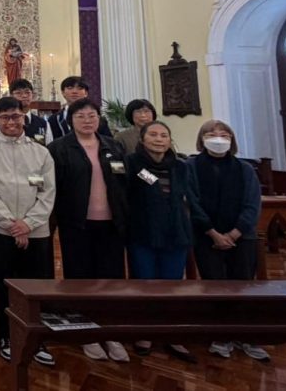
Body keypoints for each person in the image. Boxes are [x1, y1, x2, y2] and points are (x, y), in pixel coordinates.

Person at [0, 96, 56, 366]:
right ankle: (7, 335)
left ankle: (37, 338)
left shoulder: (41, 152)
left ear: (24, 117)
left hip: (36, 230)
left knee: (36, 285)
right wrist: (11, 224)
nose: (11, 122)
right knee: (3, 284)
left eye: (16, 116)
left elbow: (48, 192)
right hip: (0, 230)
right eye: (5, 117)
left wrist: (28, 223)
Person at [46, 98, 129, 362]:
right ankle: (85, 333)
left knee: (111, 278)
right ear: (71, 120)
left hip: (111, 223)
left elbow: (125, 182)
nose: (87, 120)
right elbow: (52, 187)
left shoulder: (113, 146)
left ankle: (111, 331)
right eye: (80, 116)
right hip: (76, 223)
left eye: (91, 115)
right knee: (79, 277)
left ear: (98, 118)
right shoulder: (59, 148)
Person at [125, 121, 210, 363]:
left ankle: (172, 333)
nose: (159, 139)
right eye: (153, 134)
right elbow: (130, 192)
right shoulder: (133, 163)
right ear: (142, 140)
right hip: (144, 231)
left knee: (172, 284)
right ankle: (145, 332)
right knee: (145, 284)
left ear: (169, 140)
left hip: (175, 232)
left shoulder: (181, 166)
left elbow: (189, 196)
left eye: (164, 135)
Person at [191, 120, 270, 363]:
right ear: (202, 139)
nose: (218, 138)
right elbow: (191, 201)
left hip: (242, 237)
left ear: (232, 139)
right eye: (211, 134)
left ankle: (246, 336)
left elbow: (252, 204)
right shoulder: (191, 166)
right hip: (206, 235)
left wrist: (235, 233)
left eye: (224, 134)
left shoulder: (245, 168)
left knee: (243, 284)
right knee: (215, 285)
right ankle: (221, 335)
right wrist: (212, 232)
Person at [45, 76, 112, 142]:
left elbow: (108, 142)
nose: (74, 92)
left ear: (86, 93)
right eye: (70, 88)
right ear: (63, 93)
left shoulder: (98, 119)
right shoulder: (54, 119)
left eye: (79, 88)